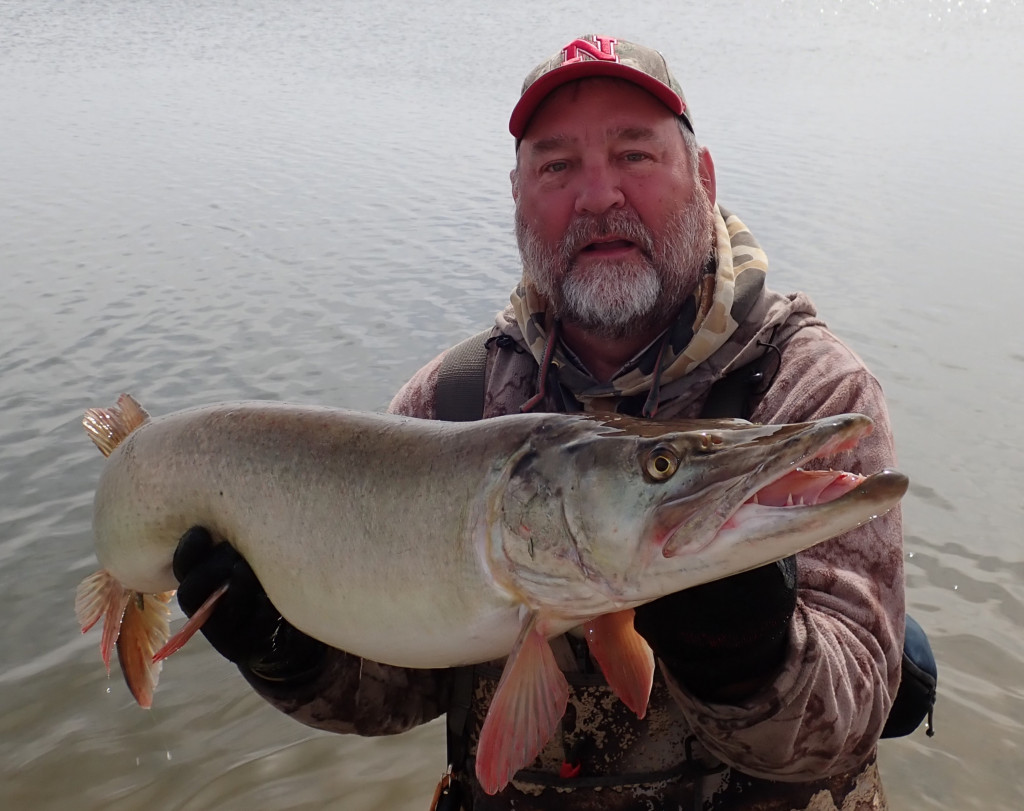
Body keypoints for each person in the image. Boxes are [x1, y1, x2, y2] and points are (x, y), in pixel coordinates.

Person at [173, 34, 905, 810]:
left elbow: (853, 716)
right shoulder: (449, 403)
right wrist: (288, 654)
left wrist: (751, 657)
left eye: (635, 155)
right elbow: (390, 689)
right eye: (557, 167)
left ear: (704, 178)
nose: (598, 196)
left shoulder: (808, 388)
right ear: (520, 199)